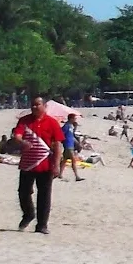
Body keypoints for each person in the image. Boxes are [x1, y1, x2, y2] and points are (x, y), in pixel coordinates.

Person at [14, 96, 63, 234]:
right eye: (33, 104)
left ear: (44, 106)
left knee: (44, 195)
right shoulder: (24, 121)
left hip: (46, 164)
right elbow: (17, 135)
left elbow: (58, 144)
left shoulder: (52, 122)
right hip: (27, 164)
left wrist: (57, 165)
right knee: (23, 192)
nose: (35, 107)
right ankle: (28, 214)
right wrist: (22, 142)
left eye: (38, 104)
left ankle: (42, 225)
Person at [59, 112, 83, 181]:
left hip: (70, 145)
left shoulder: (70, 126)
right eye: (74, 118)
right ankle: (77, 176)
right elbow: (61, 134)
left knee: (65, 160)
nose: (75, 120)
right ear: (71, 119)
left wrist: (77, 143)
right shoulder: (66, 126)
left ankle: (60, 174)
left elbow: (72, 136)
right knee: (73, 160)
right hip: (68, 145)